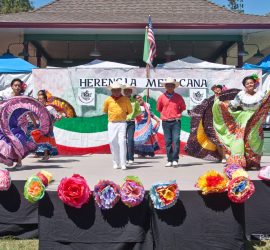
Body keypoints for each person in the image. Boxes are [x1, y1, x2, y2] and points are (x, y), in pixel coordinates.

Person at [212, 75, 270, 169]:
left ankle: (253, 163)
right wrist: (222, 104)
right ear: (245, 85)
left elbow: (266, 101)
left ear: (255, 84)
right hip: (243, 120)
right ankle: (240, 163)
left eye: (251, 82)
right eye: (247, 83)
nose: (249, 84)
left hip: (256, 120)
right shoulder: (240, 95)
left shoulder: (261, 94)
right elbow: (232, 106)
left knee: (253, 140)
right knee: (240, 140)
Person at [157, 77, 186, 167]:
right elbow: (159, 108)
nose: (169, 87)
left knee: (176, 140)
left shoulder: (178, 97)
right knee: (168, 141)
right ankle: (169, 159)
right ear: (165, 87)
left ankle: (175, 159)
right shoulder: (161, 97)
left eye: (171, 85)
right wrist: (166, 114)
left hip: (176, 122)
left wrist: (178, 113)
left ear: (174, 87)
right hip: (166, 122)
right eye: (168, 85)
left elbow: (183, 107)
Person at [103, 81, 132, 170]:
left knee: (122, 142)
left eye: (118, 90)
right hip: (112, 123)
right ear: (111, 91)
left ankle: (123, 163)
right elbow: (105, 110)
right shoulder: (108, 100)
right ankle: (116, 162)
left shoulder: (126, 99)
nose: (116, 92)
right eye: (114, 90)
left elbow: (129, 111)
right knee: (112, 142)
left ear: (120, 90)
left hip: (122, 123)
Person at [31, 90, 62, 161]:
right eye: (38, 99)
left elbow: (57, 116)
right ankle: (42, 154)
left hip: (47, 128)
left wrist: (53, 122)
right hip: (40, 126)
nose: (40, 100)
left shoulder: (50, 108)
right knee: (41, 140)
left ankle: (46, 155)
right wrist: (36, 123)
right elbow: (35, 117)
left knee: (46, 141)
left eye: (41, 99)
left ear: (45, 100)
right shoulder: (37, 109)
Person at [123, 85, 141, 164]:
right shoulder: (121, 100)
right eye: (125, 90)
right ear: (123, 92)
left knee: (130, 140)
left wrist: (132, 116)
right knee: (123, 140)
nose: (127, 92)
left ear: (131, 91)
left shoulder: (135, 101)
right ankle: (124, 157)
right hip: (122, 122)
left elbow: (138, 111)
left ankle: (131, 158)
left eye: (128, 90)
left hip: (131, 122)